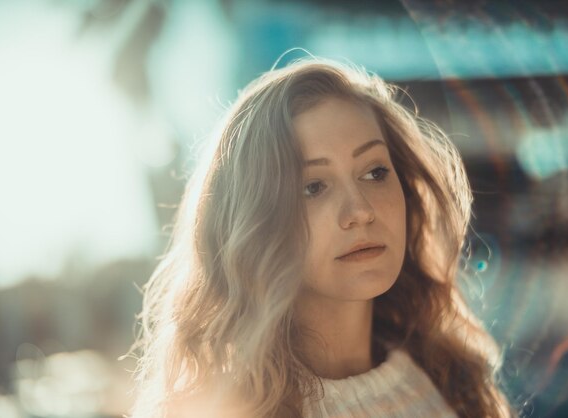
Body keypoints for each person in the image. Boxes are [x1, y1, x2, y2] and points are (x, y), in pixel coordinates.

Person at [129, 57, 514, 417]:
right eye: (313, 187)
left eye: (375, 172)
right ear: (256, 223)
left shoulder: (450, 377)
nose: (361, 210)